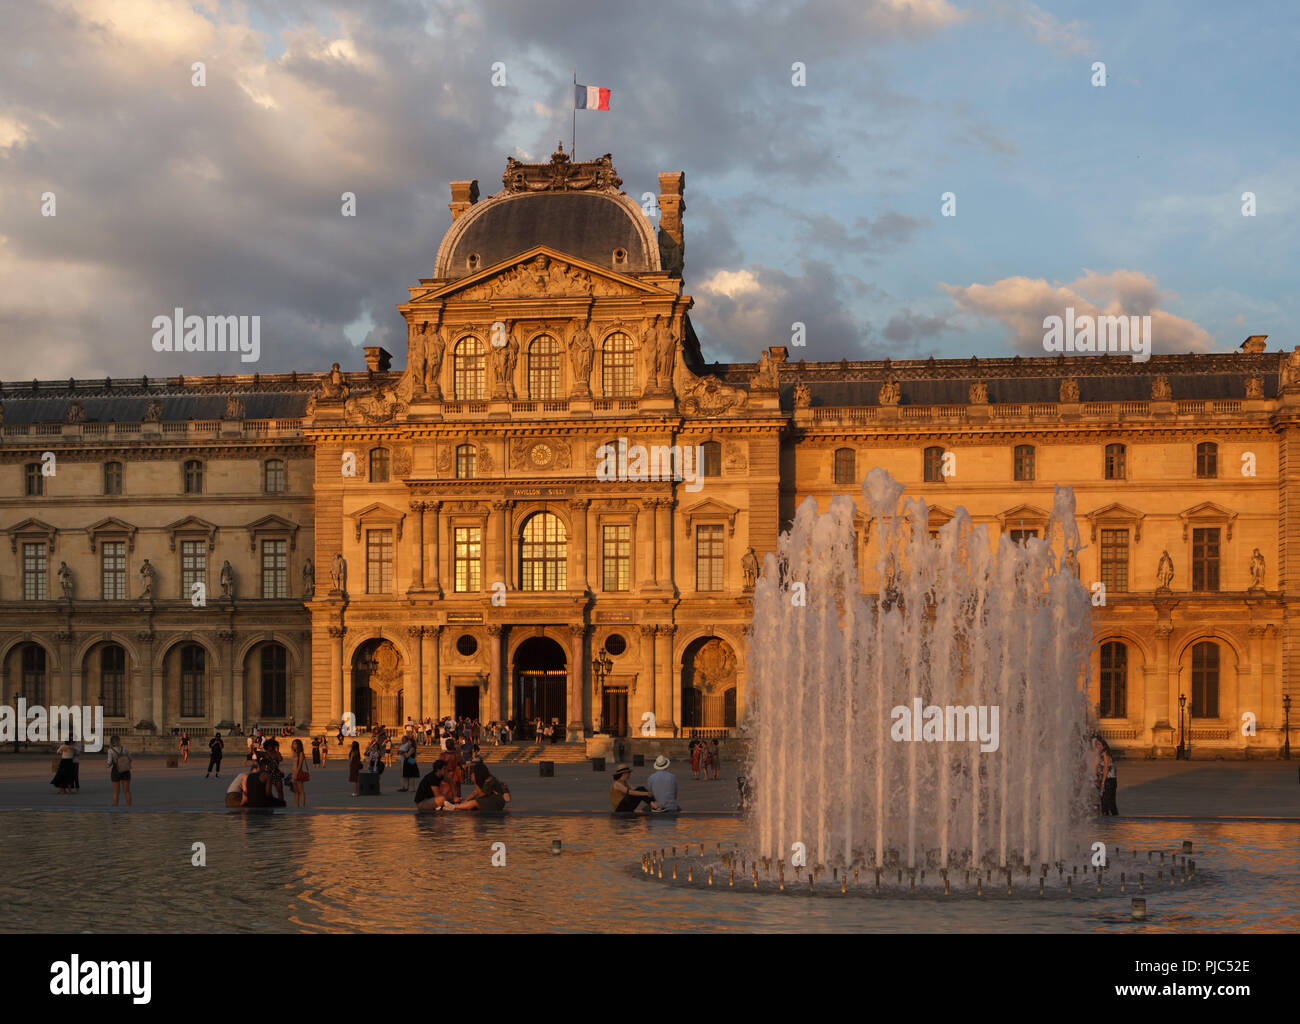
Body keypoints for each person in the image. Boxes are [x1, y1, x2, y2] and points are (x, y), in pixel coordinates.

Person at [1093, 736, 1119, 816]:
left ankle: (1108, 820)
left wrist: (1103, 782)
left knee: (1106, 802)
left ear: (1104, 745)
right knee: (1110, 803)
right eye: (1096, 744)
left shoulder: (1105, 753)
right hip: (1110, 780)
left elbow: (1106, 768)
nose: (1098, 746)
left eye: (1099, 744)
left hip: (1108, 780)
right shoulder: (1102, 753)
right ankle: (1113, 820)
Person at [107, 735, 133, 806]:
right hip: (125, 770)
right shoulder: (125, 748)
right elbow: (130, 759)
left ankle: (115, 806)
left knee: (116, 792)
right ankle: (129, 806)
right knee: (127, 791)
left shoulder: (110, 750)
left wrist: (108, 765)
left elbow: (109, 763)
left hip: (116, 771)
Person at [289, 738, 310, 808]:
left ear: (298, 745)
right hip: (293, 772)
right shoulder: (294, 753)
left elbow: (300, 764)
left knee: (301, 790)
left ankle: (303, 805)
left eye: (295, 743)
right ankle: (297, 805)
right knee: (295, 791)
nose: (293, 745)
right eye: (293, 743)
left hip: (298, 772)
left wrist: (296, 774)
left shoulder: (301, 753)